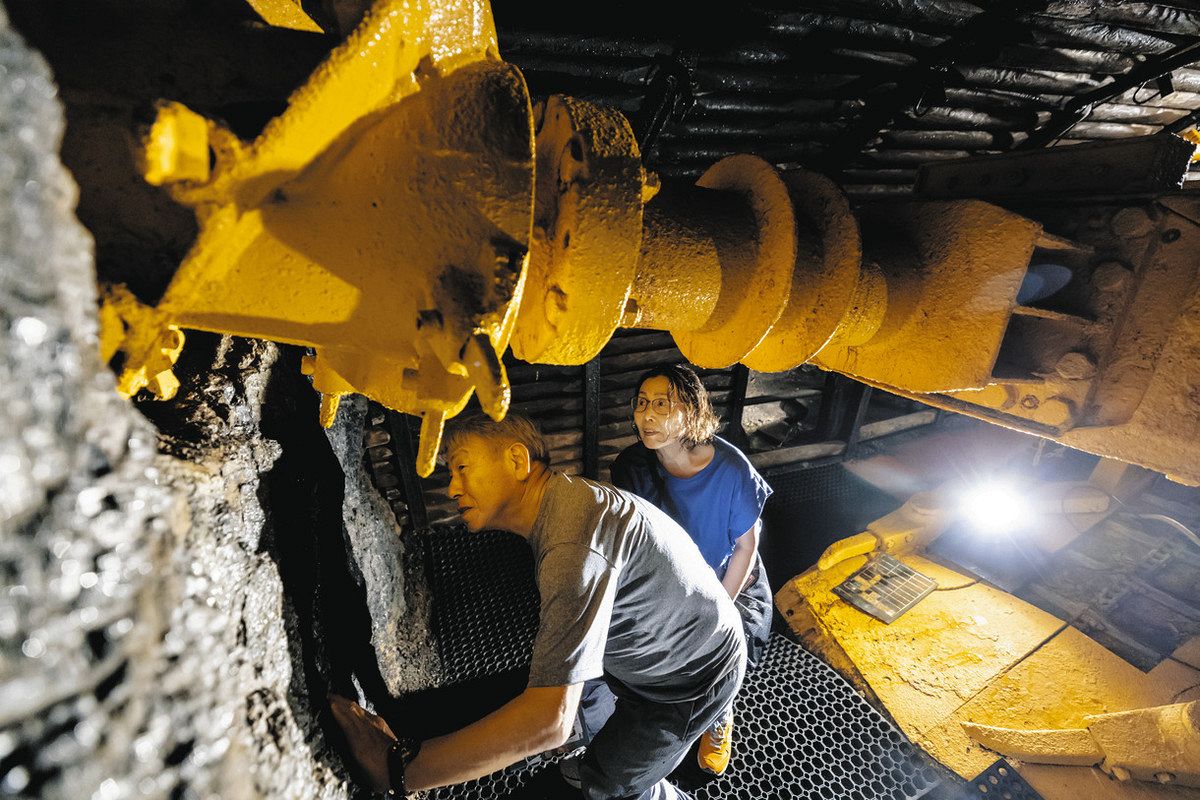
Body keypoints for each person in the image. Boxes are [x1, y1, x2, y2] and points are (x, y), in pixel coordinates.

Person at [329, 413, 746, 800]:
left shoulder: (572, 542)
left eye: (461, 467)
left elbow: (548, 721)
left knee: (607, 784)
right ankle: (594, 724)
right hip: (645, 644)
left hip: (693, 678)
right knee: (560, 698)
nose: (452, 487)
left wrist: (397, 772)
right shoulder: (563, 505)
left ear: (516, 459)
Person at [609, 364, 773, 778]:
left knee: (722, 649)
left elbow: (745, 548)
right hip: (671, 579)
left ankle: (720, 712)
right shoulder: (632, 465)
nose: (647, 416)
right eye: (642, 404)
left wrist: (719, 606)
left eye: (662, 404)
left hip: (727, 577)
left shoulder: (731, 470)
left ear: (692, 411)